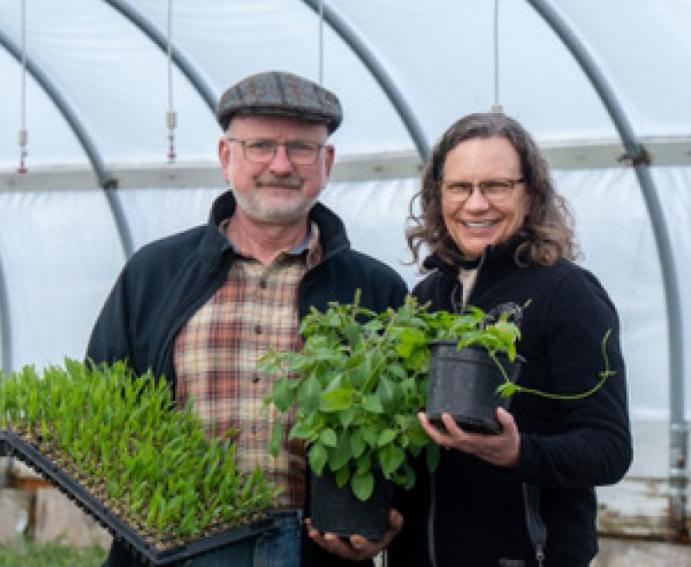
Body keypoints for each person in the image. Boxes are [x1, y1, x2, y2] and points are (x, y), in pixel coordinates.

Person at [87, 70, 407, 567]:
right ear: (225, 157)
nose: (280, 165)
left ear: (327, 161)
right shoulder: (155, 274)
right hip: (179, 543)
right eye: (260, 145)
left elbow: (403, 430)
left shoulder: (373, 289)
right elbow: (99, 405)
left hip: (314, 549)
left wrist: (382, 520)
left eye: (301, 148)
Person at [388, 112, 632, 566]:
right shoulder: (426, 299)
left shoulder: (566, 293)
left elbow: (610, 449)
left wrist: (517, 452)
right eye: (460, 187)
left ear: (531, 193)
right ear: (437, 194)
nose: (476, 205)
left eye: (496, 186)